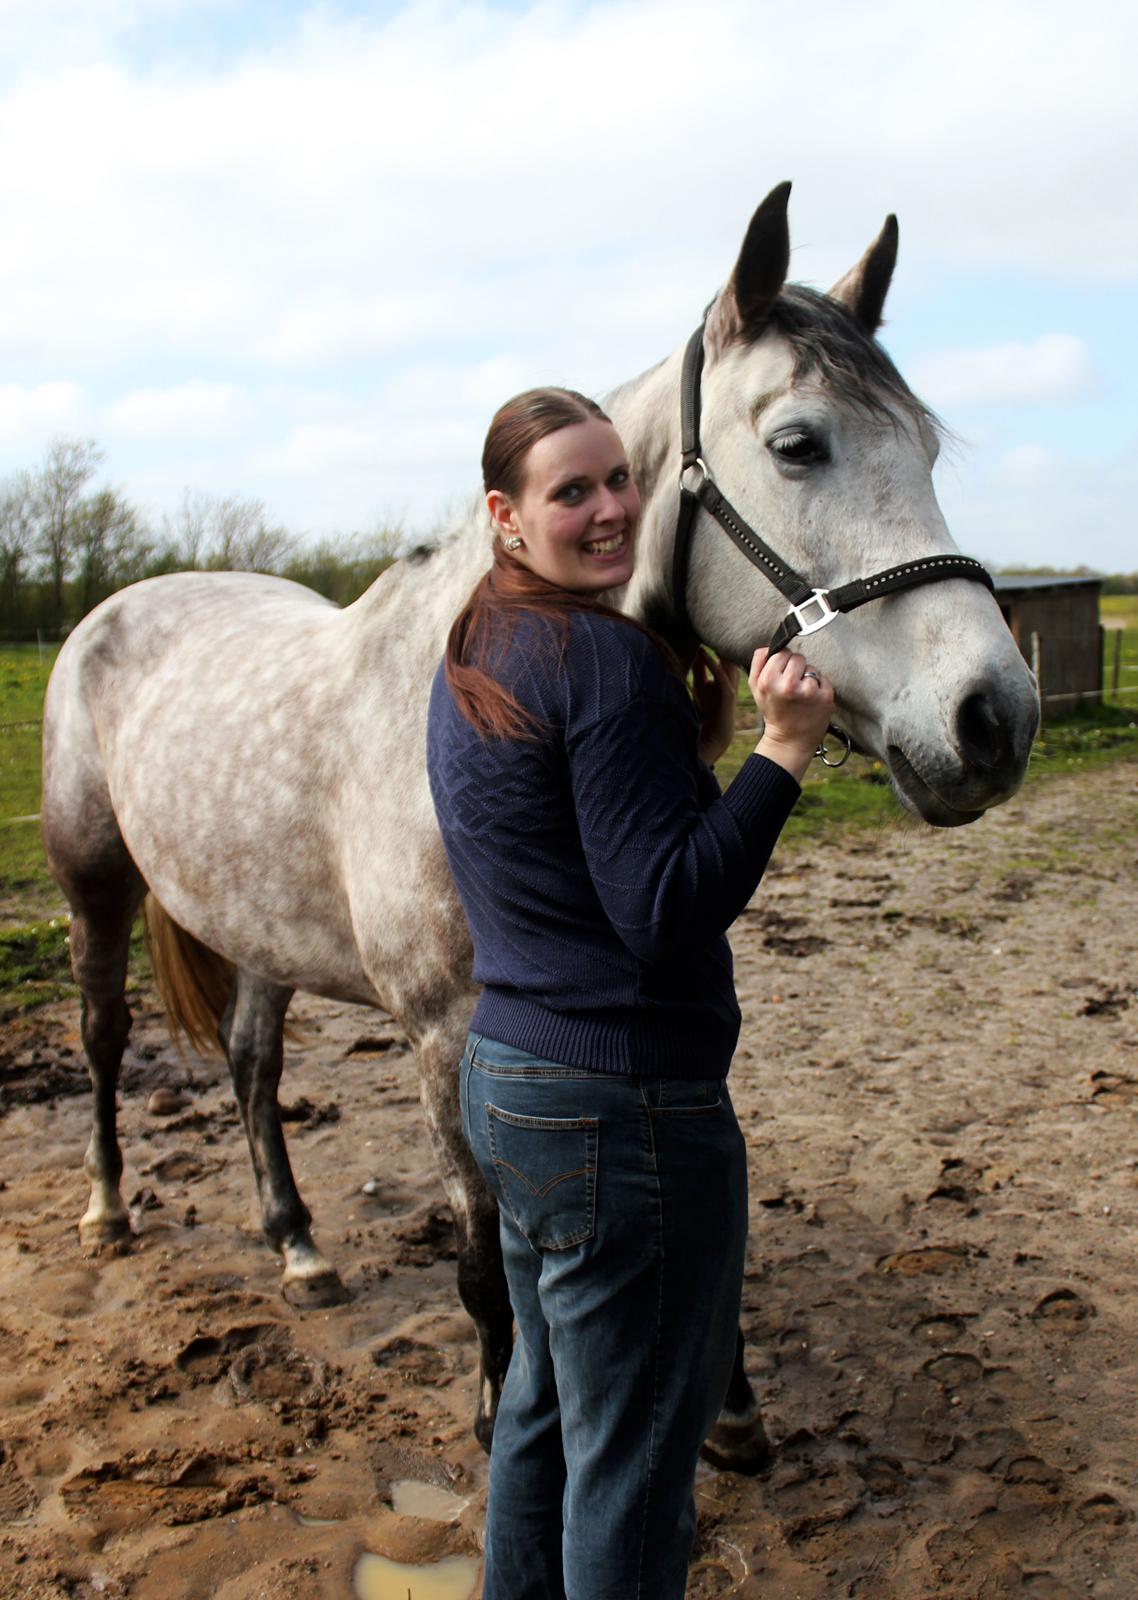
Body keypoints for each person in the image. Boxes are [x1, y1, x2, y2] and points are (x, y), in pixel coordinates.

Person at [426, 387, 833, 1600]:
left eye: (619, 480)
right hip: (625, 1107)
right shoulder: (602, 660)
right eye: (571, 491)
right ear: (506, 515)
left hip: (510, 1080)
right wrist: (782, 752)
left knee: (546, 1415)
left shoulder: (481, 642)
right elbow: (663, 909)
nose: (609, 510)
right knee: (638, 1467)